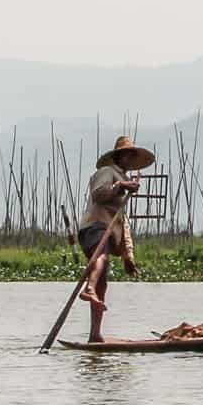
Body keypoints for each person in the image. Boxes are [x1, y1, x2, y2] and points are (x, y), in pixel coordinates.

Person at [76, 135, 153, 342]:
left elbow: (122, 222)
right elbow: (98, 194)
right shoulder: (107, 172)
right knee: (101, 257)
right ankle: (88, 288)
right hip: (95, 226)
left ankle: (94, 334)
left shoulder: (123, 180)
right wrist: (120, 186)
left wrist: (129, 255)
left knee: (103, 282)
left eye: (131, 155)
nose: (128, 158)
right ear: (118, 157)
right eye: (125, 154)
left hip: (108, 231)